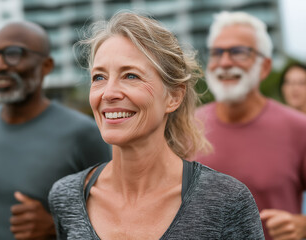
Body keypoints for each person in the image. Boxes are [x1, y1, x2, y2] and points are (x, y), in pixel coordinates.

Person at [48, 12, 264, 239]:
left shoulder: (227, 201)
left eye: (130, 76)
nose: (109, 93)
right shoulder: (67, 196)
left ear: (173, 97)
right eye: (99, 77)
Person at [0, 21, 111, 240]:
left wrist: (56, 227)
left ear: (46, 65)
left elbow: (118, 212)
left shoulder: (85, 134)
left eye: (13, 54)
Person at [195, 11, 306, 240]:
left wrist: (303, 226)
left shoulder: (299, 128)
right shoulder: (185, 128)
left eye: (238, 52)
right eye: (217, 53)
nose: (225, 62)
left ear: (265, 66)